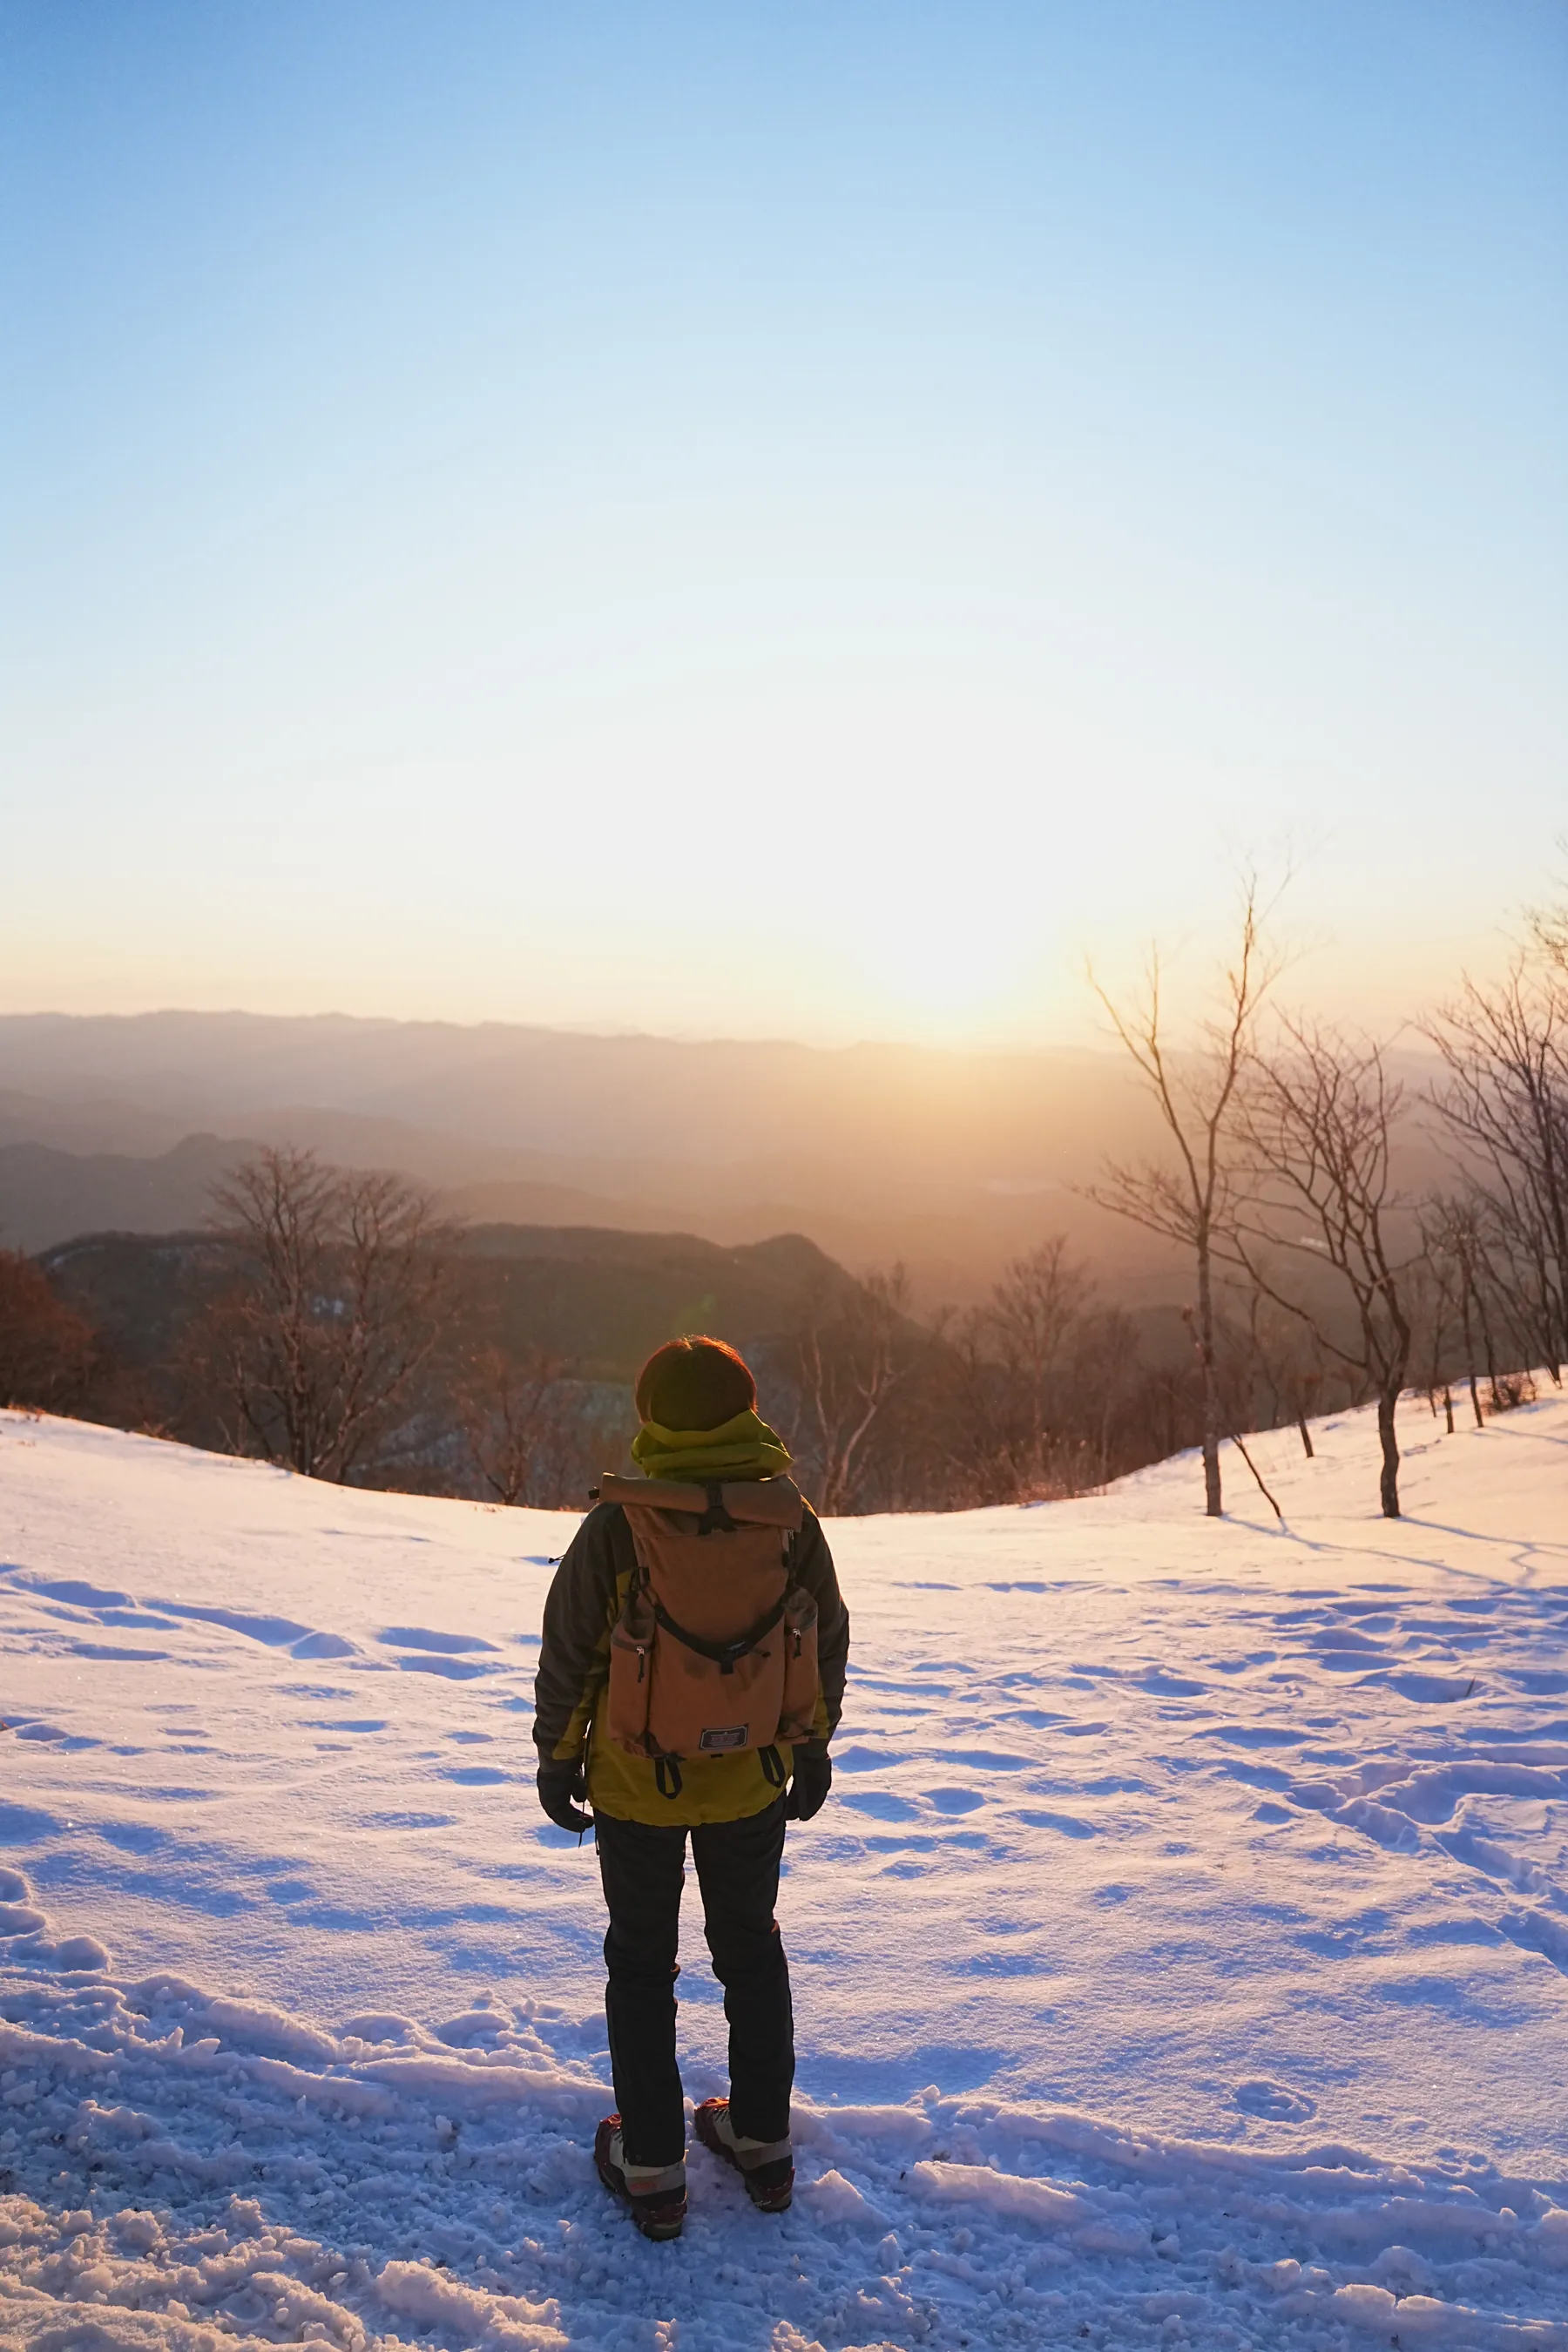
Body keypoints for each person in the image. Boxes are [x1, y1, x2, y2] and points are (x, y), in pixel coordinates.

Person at [533, 1335, 848, 2240]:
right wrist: (812, 1745)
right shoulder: (787, 1519)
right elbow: (822, 1638)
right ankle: (762, 2142)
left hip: (637, 1782)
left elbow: (571, 1655)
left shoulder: (619, 1524)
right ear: (746, 1411)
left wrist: (559, 1759)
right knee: (751, 1952)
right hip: (751, 1779)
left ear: (652, 1422)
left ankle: (656, 2169)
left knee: (641, 1965)